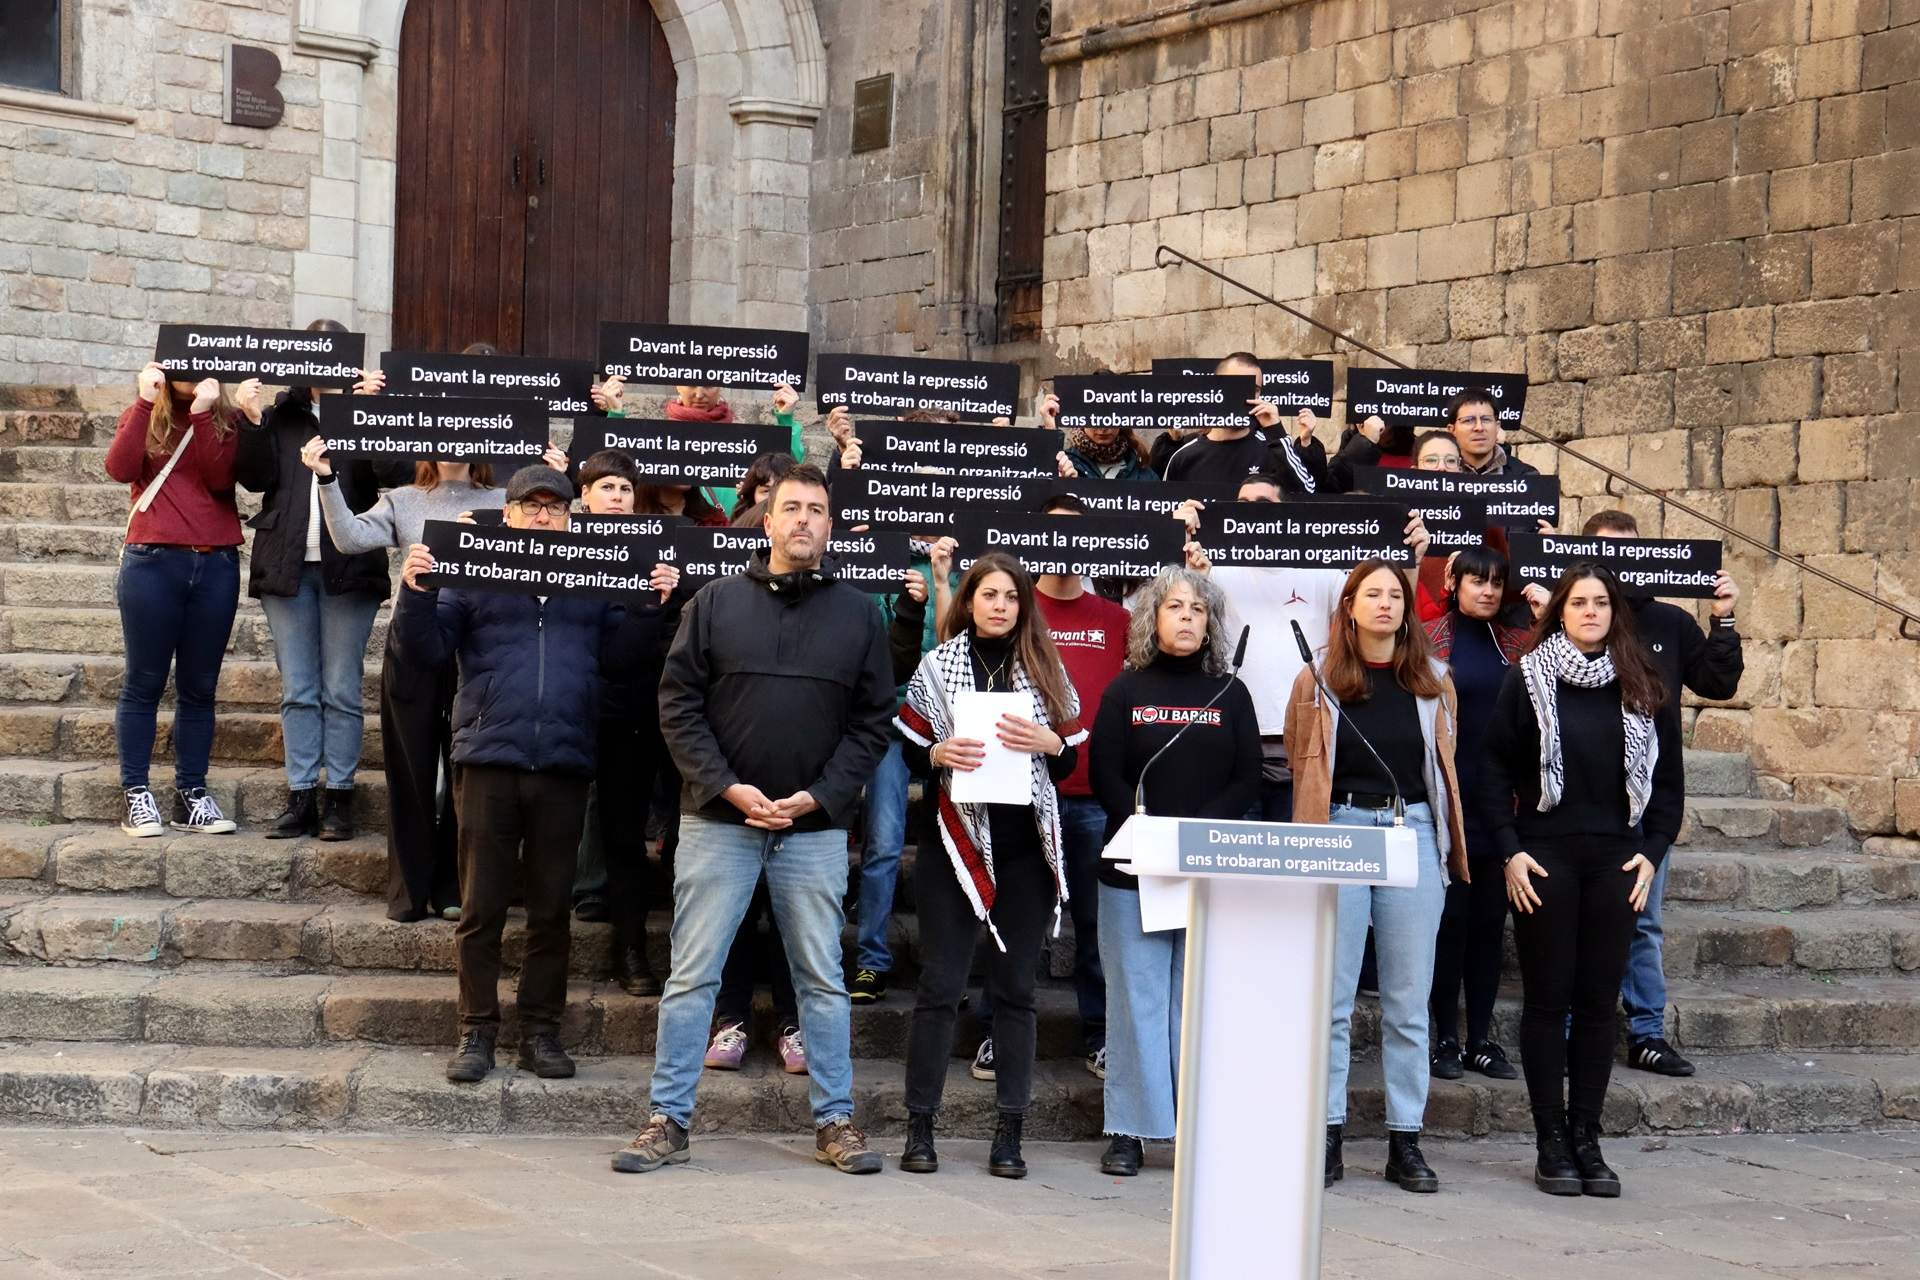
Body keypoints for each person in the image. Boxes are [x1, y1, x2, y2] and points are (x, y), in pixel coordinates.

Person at [614, 463, 894, 1176]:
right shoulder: (713, 604)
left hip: (814, 830)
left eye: (816, 510)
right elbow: (676, 706)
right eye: (790, 508)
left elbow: (872, 724)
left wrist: (821, 796)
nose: (803, 520)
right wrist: (728, 788)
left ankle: (836, 1122)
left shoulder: (860, 614)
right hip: (718, 822)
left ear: (831, 527)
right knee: (692, 977)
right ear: (765, 521)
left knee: (822, 981)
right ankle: (667, 1121)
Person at [393, 466, 671, 1085]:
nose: (544, 517)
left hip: (566, 761)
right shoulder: (474, 574)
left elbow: (624, 660)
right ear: (509, 514)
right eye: (532, 506)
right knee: (483, 906)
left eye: (556, 507)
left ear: (571, 519)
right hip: (489, 756)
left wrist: (651, 606)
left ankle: (541, 1032)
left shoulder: (593, 581)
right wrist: (415, 593)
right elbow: (426, 653)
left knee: (550, 909)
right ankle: (476, 1031)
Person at [1478, 564, 1684, 1197]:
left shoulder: (1644, 684)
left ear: (1613, 613)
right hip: (1545, 857)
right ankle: (1551, 1142)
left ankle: (1587, 1137)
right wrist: (1509, 851)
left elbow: (1669, 784)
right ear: (1559, 611)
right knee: (1547, 999)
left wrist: (1652, 852)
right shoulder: (1528, 679)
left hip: (1618, 861)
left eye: (1601, 602)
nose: (1591, 611)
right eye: (1579, 602)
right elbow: (1490, 768)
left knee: (1598, 1004)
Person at [893, 552, 1085, 1179]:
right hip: (953, 843)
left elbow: (1066, 758)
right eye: (989, 594)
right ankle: (921, 1129)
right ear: (969, 600)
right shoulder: (938, 664)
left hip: (1025, 846)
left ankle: (1010, 1133)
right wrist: (939, 750)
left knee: (1017, 991)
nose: (1001, 605)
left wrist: (1051, 743)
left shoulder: (1045, 665)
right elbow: (913, 747)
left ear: (1023, 605)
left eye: (1011, 596)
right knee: (939, 986)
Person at [1285, 559, 1468, 1195]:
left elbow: (1443, 769)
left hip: (1412, 832)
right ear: (1349, 607)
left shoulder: (1435, 682)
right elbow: (1299, 755)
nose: (1387, 604)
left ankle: (1405, 1141)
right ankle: (1327, 1136)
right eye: (1374, 594)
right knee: (1331, 998)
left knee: (1407, 1000)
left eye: (1396, 594)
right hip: (1339, 829)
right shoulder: (1317, 681)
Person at [1547, 510, 1742, 1079]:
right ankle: (1565, 1029)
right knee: (1577, 920)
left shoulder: (1671, 623)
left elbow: (1718, 683)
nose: (1617, 565)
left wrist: (1723, 622)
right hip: (1577, 801)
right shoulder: (1571, 620)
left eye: (1629, 551)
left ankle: (1646, 1032)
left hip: (1647, 801)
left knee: (1644, 921)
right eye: (1605, 553)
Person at [1087, 567, 1259, 1176]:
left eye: (1197, 609)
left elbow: (1246, 777)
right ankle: (1132, 1129)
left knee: (1197, 1003)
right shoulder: (1124, 690)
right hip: (1133, 866)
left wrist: (1195, 837)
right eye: (1174, 607)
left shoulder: (1231, 693)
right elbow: (1104, 772)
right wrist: (1150, 832)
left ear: (1210, 623)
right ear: (1152, 619)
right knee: (1137, 1000)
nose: (1187, 617)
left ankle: (1198, 1127)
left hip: (1205, 867)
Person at [311, 447, 507, 921]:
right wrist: (326, 480)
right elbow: (351, 538)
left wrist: (551, 481)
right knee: (410, 768)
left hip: (479, 647)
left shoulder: (505, 499)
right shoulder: (403, 499)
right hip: (415, 645)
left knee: (467, 770)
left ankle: (455, 884)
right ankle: (408, 888)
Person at [977, 492, 1127, 1080]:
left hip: (1090, 795)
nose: (1063, 545)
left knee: (1095, 923)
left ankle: (1099, 1032)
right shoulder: (1013, 609)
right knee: (1012, 918)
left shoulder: (1116, 619)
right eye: (1052, 532)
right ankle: (996, 1029)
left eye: (1075, 532)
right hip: (1015, 792)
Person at [1180, 473, 1431, 821]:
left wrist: (1410, 561)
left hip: (1306, 740)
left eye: (1264, 505)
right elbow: (1178, 623)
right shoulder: (1212, 568)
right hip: (1236, 739)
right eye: (1242, 506)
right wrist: (1183, 540)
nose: (1252, 513)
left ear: (1288, 511)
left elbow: (1380, 614)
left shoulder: (1321, 569)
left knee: (1296, 867)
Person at [235, 322, 387, 841]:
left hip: (352, 568)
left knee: (342, 687)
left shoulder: (367, 407)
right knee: (299, 688)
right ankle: (301, 794)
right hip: (289, 566)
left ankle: (340, 797)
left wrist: (370, 416)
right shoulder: (282, 413)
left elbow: (392, 472)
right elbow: (255, 480)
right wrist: (252, 421)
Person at [106, 362, 261, 837]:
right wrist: (145, 401)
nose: (190, 373)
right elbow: (120, 468)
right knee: (144, 681)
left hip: (214, 564)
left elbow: (220, 482)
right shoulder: (145, 411)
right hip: (152, 561)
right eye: (180, 366)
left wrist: (203, 412)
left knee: (200, 686)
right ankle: (136, 793)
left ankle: (191, 793)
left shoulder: (221, 417)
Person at [571, 448, 680, 997]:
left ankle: (632, 949)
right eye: (606, 487)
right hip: (572, 708)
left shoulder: (658, 556)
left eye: (624, 489)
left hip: (638, 714)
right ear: (584, 496)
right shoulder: (558, 551)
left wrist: (664, 597)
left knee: (629, 834)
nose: (616, 497)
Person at [1423, 547, 1529, 1081]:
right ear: (1455, 583)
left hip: (1500, 804)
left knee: (1490, 925)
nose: (1486, 591)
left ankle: (1481, 1040)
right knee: (1450, 922)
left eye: (1495, 583)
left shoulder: (1519, 642)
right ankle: (1444, 1037)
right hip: (1446, 800)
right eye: (1476, 581)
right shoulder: (1428, 638)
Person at [850, 534, 955, 1005]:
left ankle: (944, 965)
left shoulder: (960, 563)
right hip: (891, 723)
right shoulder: (878, 554)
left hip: (948, 725)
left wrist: (939, 577)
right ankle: (872, 961)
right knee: (884, 846)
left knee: (953, 849)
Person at [1161, 353, 1327, 492]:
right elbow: (1164, 516)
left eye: (1254, 390)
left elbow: (1307, 493)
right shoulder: (1184, 457)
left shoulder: (1273, 450)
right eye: (1236, 385)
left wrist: (1276, 432)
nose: (1245, 395)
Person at [1448, 387, 1537, 477]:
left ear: (1497, 426)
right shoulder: (1438, 472)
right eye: (1468, 420)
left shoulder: (1526, 476)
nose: (1479, 427)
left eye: (1486, 419)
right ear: (1452, 429)